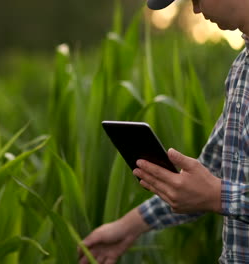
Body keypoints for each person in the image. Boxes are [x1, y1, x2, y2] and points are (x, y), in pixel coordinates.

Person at [78, 0, 249, 263]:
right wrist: (127, 228)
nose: (195, 10)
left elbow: (214, 190)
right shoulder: (241, 68)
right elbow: (212, 171)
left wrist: (217, 196)